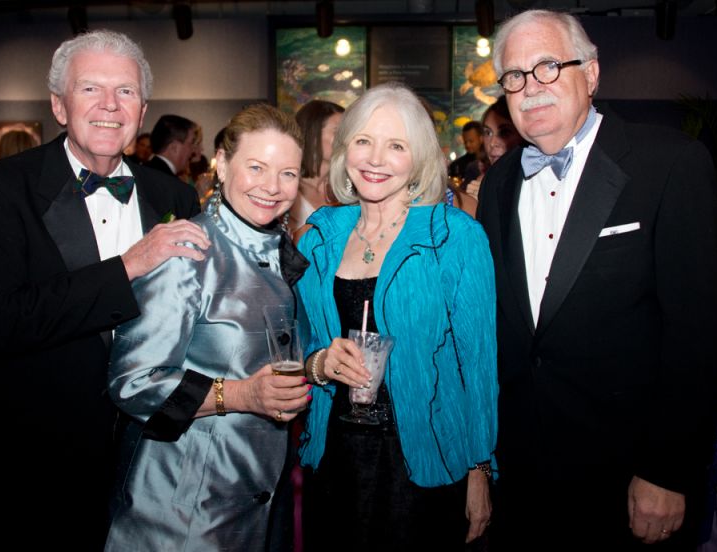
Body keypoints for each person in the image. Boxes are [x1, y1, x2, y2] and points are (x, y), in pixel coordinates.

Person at [476, 10, 717, 550]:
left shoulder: (669, 164)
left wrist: (666, 469)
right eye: (514, 76)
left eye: (548, 66)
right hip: (521, 475)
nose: (530, 88)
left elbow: (699, 333)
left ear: (591, 74)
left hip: (628, 478)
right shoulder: (498, 185)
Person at [0, 29, 208, 549]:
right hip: (39, 458)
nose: (110, 106)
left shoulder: (175, 196)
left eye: (125, 92)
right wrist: (129, 266)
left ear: (142, 111)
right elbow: (5, 321)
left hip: (152, 458)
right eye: (90, 89)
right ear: (58, 105)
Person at [296, 82, 498, 551]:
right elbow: (298, 344)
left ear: (420, 158)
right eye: (363, 141)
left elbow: (479, 366)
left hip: (426, 463)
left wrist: (480, 471)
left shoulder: (455, 237)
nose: (375, 158)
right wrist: (319, 364)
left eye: (396, 145)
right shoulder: (319, 239)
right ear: (345, 150)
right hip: (335, 459)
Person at [104, 103, 310, 550]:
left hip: (259, 501)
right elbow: (133, 381)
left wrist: (319, 363)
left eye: (288, 174)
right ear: (221, 163)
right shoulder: (187, 252)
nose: (272, 188)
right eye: (256, 167)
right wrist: (241, 395)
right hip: (183, 512)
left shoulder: (282, 252)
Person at [287, 99, 344, 241]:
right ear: (312, 134)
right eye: (338, 132)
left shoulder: (347, 188)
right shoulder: (287, 186)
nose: (346, 139)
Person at [463, 96, 525, 201]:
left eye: (505, 132)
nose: (492, 143)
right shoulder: (483, 180)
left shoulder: (535, 181)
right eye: (488, 133)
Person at [146, 114, 202, 178]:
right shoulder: (171, 182)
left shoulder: (142, 171)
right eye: (191, 143)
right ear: (174, 147)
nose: (193, 150)